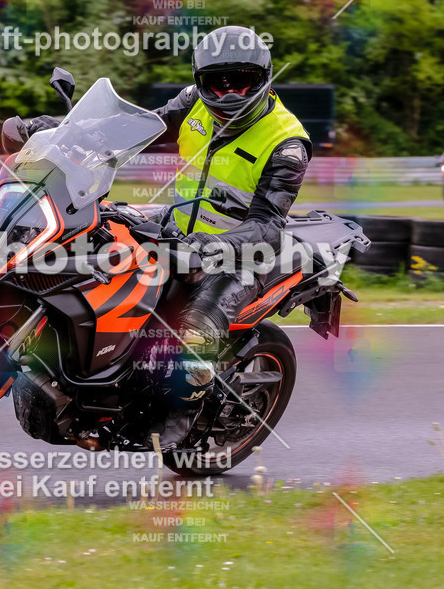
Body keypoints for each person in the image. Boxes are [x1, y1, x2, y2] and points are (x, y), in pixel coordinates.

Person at [26, 26, 312, 448]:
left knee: (196, 333)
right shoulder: (193, 100)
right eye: (218, 82)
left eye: (241, 81)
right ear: (201, 81)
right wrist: (63, 129)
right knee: (94, 240)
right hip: (178, 228)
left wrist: (211, 245)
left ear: (263, 78)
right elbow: (137, 128)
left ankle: (180, 414)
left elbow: (268, 226)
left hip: (240, 254)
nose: (229, 93)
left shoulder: (287, 143)